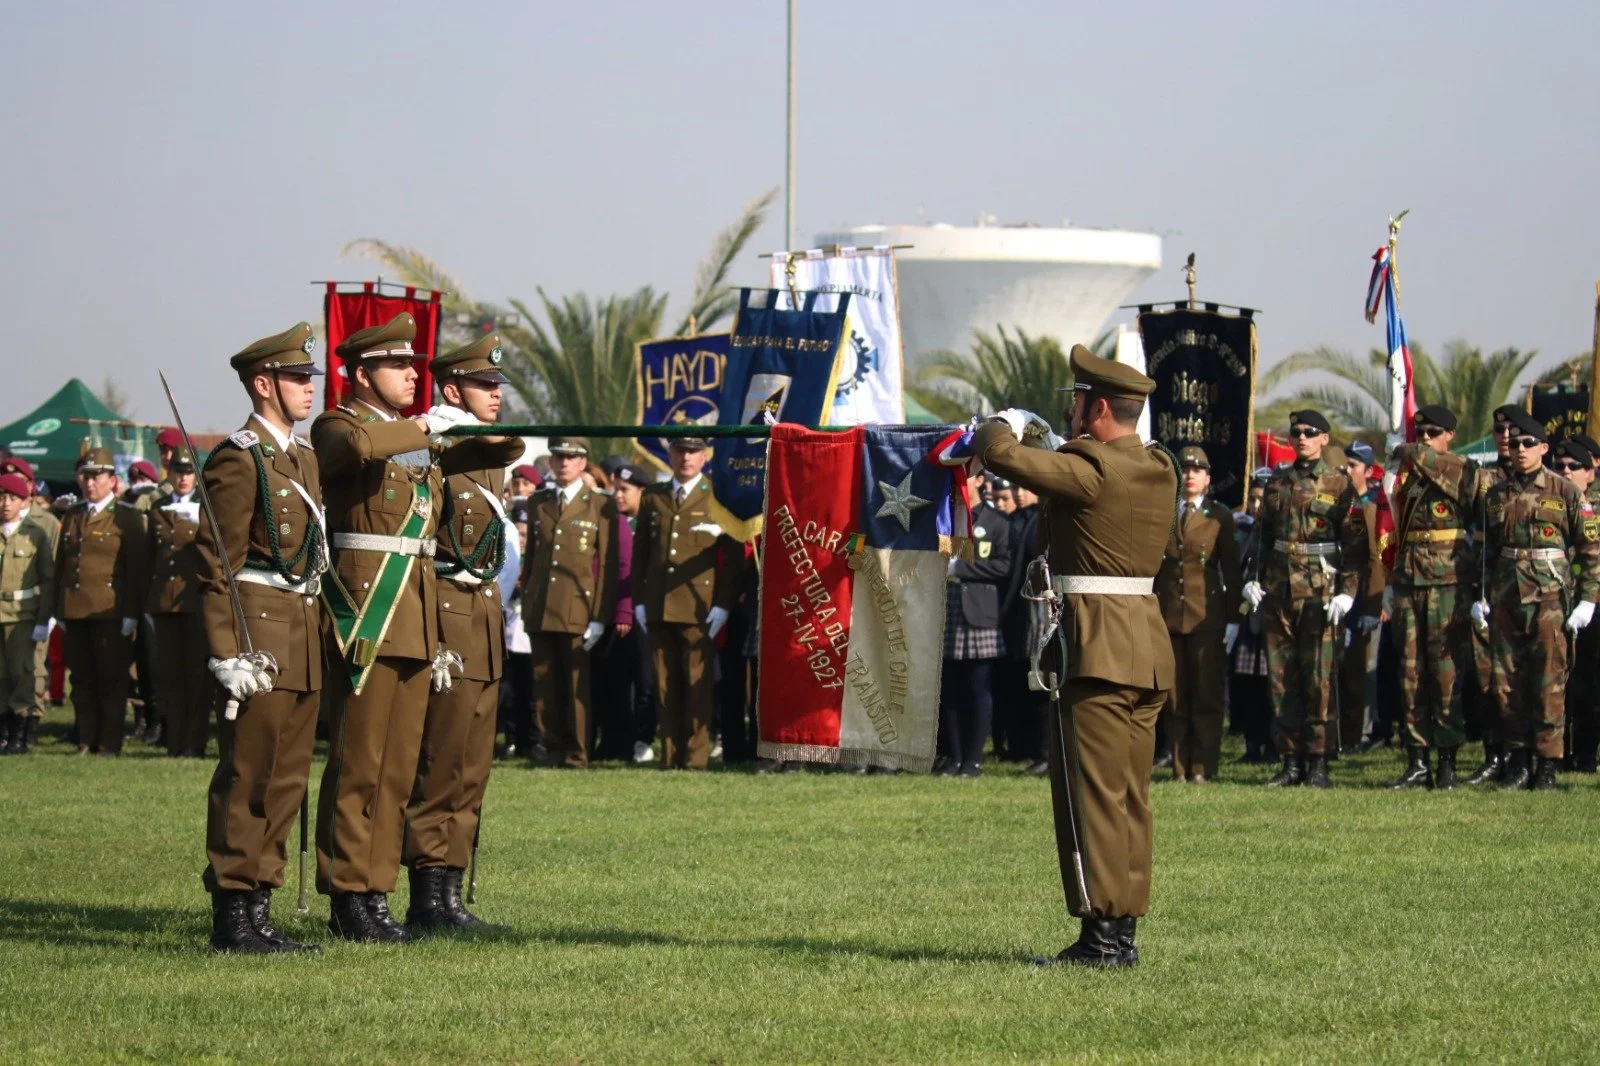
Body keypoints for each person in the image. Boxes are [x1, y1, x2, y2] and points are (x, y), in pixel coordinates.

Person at [971, 343, 1176, 968]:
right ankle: (1123, 931)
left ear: (1098, 409)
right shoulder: (1158, 467)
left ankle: (1102, 938)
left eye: (1080, 402)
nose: (1074, 411)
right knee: (1129, 798)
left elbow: (997, 453)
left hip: (1099, 647)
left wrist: (1006, 420)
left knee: (1092, 798)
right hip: (1144, 642)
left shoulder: (1090, 467)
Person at [312, 311, 481, 943]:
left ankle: (376, 891)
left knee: (396, 768)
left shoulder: (416, 438)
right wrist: (421, 428)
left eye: (412, 364)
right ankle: (347, 893)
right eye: (397, 365)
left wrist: (459, 428)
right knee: (359, 762)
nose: (412, 374)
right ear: (361, 374)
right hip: (366, 613)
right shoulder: (341, 423)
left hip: (412, 613)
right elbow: (350, 453)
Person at [196, 320, 328, 953]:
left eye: (310, 377)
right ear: (263, 383)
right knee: (249, 773)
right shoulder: (238, 456)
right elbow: (215, 558)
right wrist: (225, 650)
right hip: (259, 635)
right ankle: (232, 910)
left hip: (300, 629)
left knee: (287, 778)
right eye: (299, 378)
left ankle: (260, 905)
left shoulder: (302, 456)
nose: (309, 388)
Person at [404, 332, 525, 931]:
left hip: (483, 618)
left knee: (473, 764)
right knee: (442, 760)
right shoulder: (432, 448)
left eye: (498, 386)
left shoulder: (482, 451)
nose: (495, 395)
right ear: (453, 391)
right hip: (446, 617)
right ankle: (427, 895)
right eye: (484, 385)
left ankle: (450, 892)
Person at [1474, 408, 1600, 789]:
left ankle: (1547, 764)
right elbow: (1485, 553)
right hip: (1506, 597)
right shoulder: (1495, 495)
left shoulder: (1566, 492)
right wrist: (1479, 598)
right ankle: (1518, 760)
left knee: (1549, 683)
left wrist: (1588, 601)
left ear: (1543, 447)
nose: (1520, 449)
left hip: (1549, 599)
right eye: (1514, 443)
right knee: (1507, 681)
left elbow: (1591, 552)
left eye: (1528, 443)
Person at [1243, 410, 1368, 788]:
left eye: (1310, 433)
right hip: (1280, 591)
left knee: (1319, 678)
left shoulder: (1340, 484)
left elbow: (1356, 546)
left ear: (1324, 439)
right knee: (1282, 678)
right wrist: (1253, 579)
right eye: (1295, 432)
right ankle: (1290, 760)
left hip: (1320, 592)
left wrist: (1348, 593)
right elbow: (1262, 540)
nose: (1301, 438)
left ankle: (1318, 761)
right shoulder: (1279, 483)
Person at [631, 436, 737, 770]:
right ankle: (670, 754)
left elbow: (732, 558)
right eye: (680, 451)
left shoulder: (717, 495)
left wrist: (723, 603)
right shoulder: (653, 496)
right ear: (670, 454)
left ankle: (695, 757)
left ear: (705, 456)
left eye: (693, 452)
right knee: (665, 685)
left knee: (697, 687)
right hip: (659, 603)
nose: (686, 458)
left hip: (698, 605)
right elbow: (641, 554)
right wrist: (639, 600)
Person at [1385, 406, 1476, 789]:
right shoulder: (1414, 476)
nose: (1423, 438)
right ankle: (1417, 759)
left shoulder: (1459, 467)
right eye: (1419, 431)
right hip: (1410, 580)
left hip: (1448, 583)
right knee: (1410, 675)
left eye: (1432, 432)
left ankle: (1448, 760)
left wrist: (1402, 447)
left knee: (1445, 674)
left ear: (1450, 434)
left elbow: (1421, 457)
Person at [519, 436, 618, 769]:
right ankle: (552, 749)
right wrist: (528, 600)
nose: (563, 463)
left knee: (576, 687)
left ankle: (577, 753)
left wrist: (600, 616)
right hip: (541, 604)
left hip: (578, 607)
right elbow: (531, 558)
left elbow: (606, 564)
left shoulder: (600, 504)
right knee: (545, 683)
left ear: (582, 463)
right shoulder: (539, 502)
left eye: (571, 458)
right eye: (558, 457)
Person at [1155, 446, 1241, 783]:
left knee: (1206, 694)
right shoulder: (1162, 513)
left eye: (1197, 470)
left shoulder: (1219, 516)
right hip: (1169, 615)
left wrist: (1234, 618)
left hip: (1207, 616)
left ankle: (1203, 768)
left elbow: (1231, 571)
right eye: (1185, 470)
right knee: (1175, 696)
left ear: (1208, 478)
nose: (1190, 475)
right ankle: (1179, 767)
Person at [54, 448, 146, 755]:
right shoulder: (73, 515)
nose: (90, 483)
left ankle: (108, 742)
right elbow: (61, 565)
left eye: (97, 477)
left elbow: (135, 571)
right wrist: (59, 609)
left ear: (112, 480)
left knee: (111, 680)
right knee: (81, 680)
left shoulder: (127, 517)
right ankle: (85, 739)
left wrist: (132, 613)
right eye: (86, 476)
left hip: (111, 610)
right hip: (75, 607)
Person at [937, 467, 1013, 777]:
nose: (960, 484)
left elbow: (1003, 565)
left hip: (980, 611)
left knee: (977, 688)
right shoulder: (949, 519)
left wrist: (962, 567)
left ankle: (973, 760)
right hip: (951, 608)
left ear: (980, 481)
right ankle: (954, 758)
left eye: (966, 477)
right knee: (951, 688)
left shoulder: (995, 521)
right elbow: (940, 556)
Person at [1462, 405, 1522, 783]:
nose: (1504, 437)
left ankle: (1524, 756)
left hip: (1527, 589)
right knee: (1487, 676)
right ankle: (1493, 754)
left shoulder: (1541, 478)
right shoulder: (1481, 477)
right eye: (1498, 430)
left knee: (1523, 676)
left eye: (1511, 431)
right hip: (1488, 585)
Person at [146, 448, 212, 757]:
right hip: (164, 603)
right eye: (177, 471)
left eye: (188, 472)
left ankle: (194, 742)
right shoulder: (158, 508)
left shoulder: (207, 507)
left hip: (196, 602)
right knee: (169, 675)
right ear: (169, 474)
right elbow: (148, 558)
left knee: (196, 677)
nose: (183, 477)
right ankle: (174, 741)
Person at [594, 456, 655, 764]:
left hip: (644, 612)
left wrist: (628, 610)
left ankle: (645, 738)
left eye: (625, 489)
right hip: (614, 614)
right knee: (614, 681)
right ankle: (617, 739)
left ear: (642, 491)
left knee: (646, 681)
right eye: (615, 488)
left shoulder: (652, 520)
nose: (617, 495)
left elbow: (636, 570)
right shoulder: (611, 522)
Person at [1333, 442, 1385, 755]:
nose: (1347, 471)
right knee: (1338, 666)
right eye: (1344, 465)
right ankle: (1340, 734)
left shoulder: (1374, 507)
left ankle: (1360, 734)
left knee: (1362, 670)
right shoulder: (1337, 502)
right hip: (1337, 593)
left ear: (1368, 471)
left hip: (1365, 595)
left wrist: (1375, 605)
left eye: (1354, 465)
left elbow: (1378, 558)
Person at [0, 462, 53, 754]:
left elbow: (47, 579)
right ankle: (4, 733)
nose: (5, 503)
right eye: (1, 497)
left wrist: (44, 619)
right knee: (0, 676)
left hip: (22, 614)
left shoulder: (35, 533)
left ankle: (20, 734)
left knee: (21, 674)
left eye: (11, 498)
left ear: (24, 501)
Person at [1556, 439, 1600, 771]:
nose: (1566, 472)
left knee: (1588, 682)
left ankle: (1585, 752)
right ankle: (1557, 752)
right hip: (1556, 600)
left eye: (1574, 466)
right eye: (1560, 466)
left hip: (1592, 604)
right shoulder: (1550, 502)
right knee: (1559, 682)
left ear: (1590, 472)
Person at [1229, 469, 1274, 763]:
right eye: (1253, 499)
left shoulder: (1276, 530)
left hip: (1271, 617)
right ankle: (1251, 745)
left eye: (1262, 500)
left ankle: (1273, 746)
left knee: (1272, 687)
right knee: (1247, 687)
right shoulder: (1243, 530)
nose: (1256, 506)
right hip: (1247, 617)